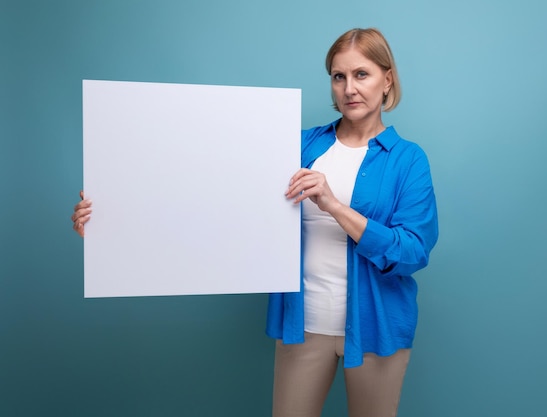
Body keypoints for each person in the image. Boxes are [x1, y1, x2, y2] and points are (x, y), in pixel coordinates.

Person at [72, 28, 438, 417]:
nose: (349, 88)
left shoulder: (408, 160)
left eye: (361, 74)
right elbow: (216, 197)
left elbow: (412, 251)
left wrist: (333, 205)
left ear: (388, 79)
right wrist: (109, 219)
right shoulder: (296, 146)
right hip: (302, 324)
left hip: (376, 329)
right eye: (338, 76)